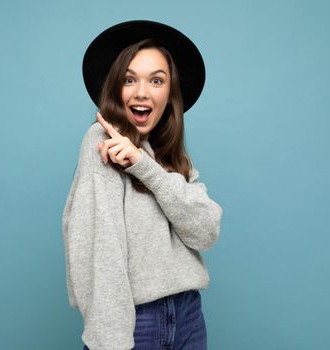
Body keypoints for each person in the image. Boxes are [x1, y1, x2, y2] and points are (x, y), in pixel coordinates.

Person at [62, 20, 223, 350]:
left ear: (169, 93)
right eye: (129, 79)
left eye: (156, 80)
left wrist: (144, 167)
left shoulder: (167, 152)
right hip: (137, 323)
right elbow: (99, 251)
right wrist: (110, 341)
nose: (141, 92)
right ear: (115, 88)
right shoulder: (101, 142)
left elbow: (206, 232)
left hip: (188, 315)